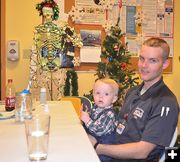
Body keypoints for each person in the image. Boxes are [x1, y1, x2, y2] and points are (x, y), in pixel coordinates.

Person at [85, 37, 179, 162]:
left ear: (165, 64)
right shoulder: (133, 91)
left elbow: (142, 151)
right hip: (110, 149)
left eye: (153, 61)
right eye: (142, 58)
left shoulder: (166, 102)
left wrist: (96, 147)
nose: (144, 66)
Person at [80, 78, 119, 162]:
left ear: (114, 99)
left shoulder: (109, 114)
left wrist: (87, 120)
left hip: (103, 154)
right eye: (97, 93)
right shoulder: (96, 108)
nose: (101, 96)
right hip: (92, 146)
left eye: (106, 94)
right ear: (93, 94)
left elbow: (99, 130)